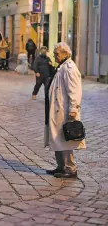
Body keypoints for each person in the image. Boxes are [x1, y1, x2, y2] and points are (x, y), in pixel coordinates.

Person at [45, 42, 85, 179]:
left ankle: (70, 168)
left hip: (64, 111)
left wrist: (73, 109)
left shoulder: (70, 68)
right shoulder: (62, 66)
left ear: (65, 54)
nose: (54, 56)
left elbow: (74, 91)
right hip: (58, 110)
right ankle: (61, 166)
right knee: (58, 139)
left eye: (57, 54)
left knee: (66, 140)